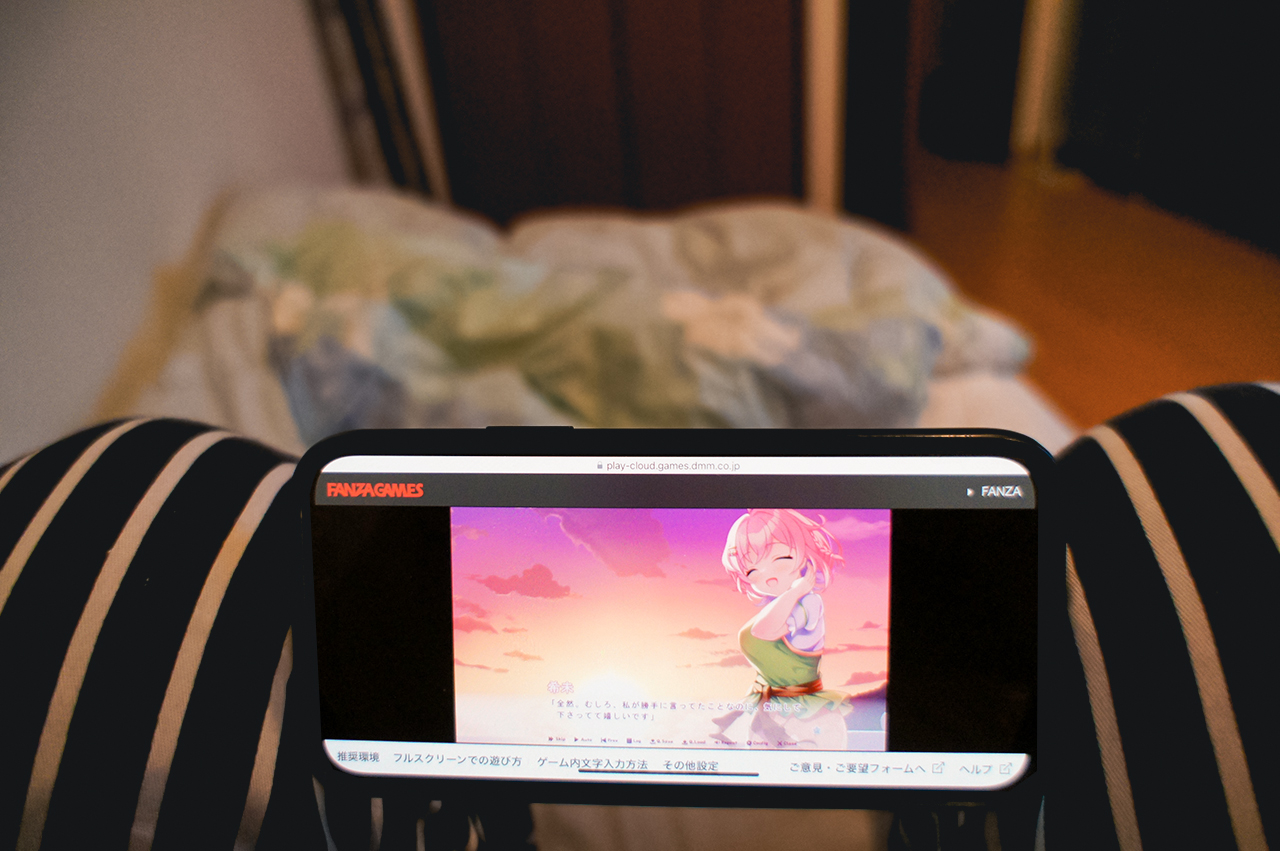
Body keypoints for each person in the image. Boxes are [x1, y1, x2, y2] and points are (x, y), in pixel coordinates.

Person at [716, 508, 851, 750]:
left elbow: (763, 633)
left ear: (805, 556)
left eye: (781, 560)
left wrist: (796, 590)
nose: (768, 578)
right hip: (771, 712)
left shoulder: (808, 601)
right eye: (752, 571)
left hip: (806, 718)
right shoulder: (781, 604)